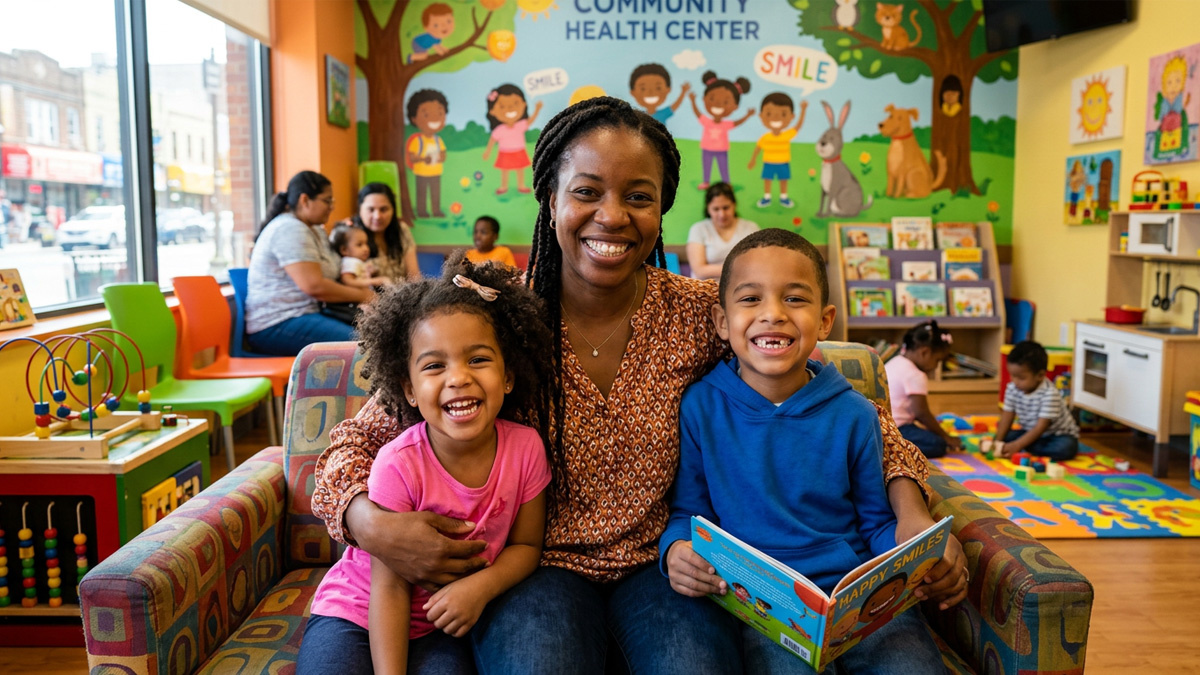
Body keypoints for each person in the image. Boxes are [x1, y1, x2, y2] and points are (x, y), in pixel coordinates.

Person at [311, 97, 966, 674]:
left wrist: (912, 512)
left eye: (639, 196)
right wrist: (369, 522)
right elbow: (355, 439)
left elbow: (853, 411)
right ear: (550, 198)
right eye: (587, 191)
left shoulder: (702, 311)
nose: (612, 216)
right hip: (538, 569)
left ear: (661, 210)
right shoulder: (497, 320)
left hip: (663, 566)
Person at [661, 229, 945, 674]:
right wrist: (675, 548)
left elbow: (874, 522)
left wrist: (917, 558)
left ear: (825, 320)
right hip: (765, 607)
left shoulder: (854, 413)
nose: (772, 314)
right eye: (751, 299)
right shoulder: (700, 406)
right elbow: (690, 512)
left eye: (794, 299)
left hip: (857, 598)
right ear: (721, 320)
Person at [297, 256, 555, 674]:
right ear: (409, 391)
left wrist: (478, 588)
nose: (458, 378)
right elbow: (389, 588)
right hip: (358, 609)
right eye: (435, 366)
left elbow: (526, 547)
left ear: (509, 376)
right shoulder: (397, 464)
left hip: (440, 622)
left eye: (478, 360)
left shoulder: (526, 449)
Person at [246, 171, 372, 356]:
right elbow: (314, 286)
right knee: (365, 347)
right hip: (277, 323)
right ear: (305, 200)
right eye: (327, 201)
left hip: (309, 314)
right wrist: (363, 295)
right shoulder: (290, 228)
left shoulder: (315, 230)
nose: (331, 207)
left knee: (377, 333)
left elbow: (335, 271)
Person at [886, 321, 963, 459]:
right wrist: (946, 437)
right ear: (924, 352)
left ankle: (889, 445)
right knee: (937, 444)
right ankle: (893, 449)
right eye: (937, 360)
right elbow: (921, 413)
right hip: (898, 428)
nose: (936, 365)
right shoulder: (915, 374)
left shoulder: (895, 361)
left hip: (882, 426)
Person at [995, 340, 1080, 461]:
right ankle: (1028, 446)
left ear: (1040, 375)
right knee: (1006, 435)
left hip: (1056, 435)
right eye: (1012, 375)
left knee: (1066, 448)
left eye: (1021, 378)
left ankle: (1026, 446)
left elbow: (1041, 427)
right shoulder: (1012, 388)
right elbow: (1007, 415)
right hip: (1030, 432)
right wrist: (997, 441)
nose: (1015, 381)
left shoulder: (1049, 394)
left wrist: (1017, 445)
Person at [687, 70, 755, 190]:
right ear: (704, 99)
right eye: (712, 99)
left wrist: (748, 116)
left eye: (726, 102)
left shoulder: (726, 124)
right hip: (707, 149)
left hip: (721, 150)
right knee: (707, 166)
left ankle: (726, 182)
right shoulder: (707, 121)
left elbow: (737, 122)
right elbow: (698, 113)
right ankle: (706, 182)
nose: (718, 104)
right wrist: (692, 101)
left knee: (723, 166)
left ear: (735, 106)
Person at [350, 183, 423, 283]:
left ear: (393, 210)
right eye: (371, 210)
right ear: (360, 210)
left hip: (403, 295)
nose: (377, 216)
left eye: (383, 209)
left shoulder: (402, 230)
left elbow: (414, 277)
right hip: (368, 297)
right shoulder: (350, 234)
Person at [686, 183, 759, 280]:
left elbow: (758, 265)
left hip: (743, 287)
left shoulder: (751, 228)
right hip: (706, 290)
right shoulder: (698, 229)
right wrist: (739, 269)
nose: (722, 214)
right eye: (716, 209)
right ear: (708, 209)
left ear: (734, 205)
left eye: (726, 208)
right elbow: (699, 271)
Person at [748, 92, 808, 208]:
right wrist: (753, 160)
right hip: (768, 162)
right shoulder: (765, 137)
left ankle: (784, 197)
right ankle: (767, 197)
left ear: (791, 116)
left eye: (783, 114)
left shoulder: (787, 135)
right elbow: (758, 148)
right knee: (767, 180)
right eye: (769, 113)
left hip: (783, 163)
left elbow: (798, 126)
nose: (775, 118)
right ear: (761, 116)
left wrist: (803, 110)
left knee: (783, 180)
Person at [482, 84, 544, 195]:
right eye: (502, 106)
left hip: (519, 151)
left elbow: (531, 120)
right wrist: (488, 152)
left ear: (524, 105)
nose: (510, 108)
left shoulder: (520, 125)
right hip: (505, 152)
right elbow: (492, 140)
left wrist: (537, 109)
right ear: (493, 111)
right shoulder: (499, 129)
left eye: (515, 103)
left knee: (519, 169)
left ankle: (521, 186)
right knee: (505, 170)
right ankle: (503, 186)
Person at [407, 89, 449, 219]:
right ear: (414, 119)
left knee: (436, 193)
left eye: (440, 113)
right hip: (421, 173)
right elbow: (412, 156)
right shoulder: (417, 140)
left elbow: (443, 153)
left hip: (436, 172)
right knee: (421, 193)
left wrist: (441, 157)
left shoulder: (438, 140)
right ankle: (422, 211)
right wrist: (423, 159)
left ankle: (436, 210)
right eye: (426, 115)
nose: (434, 118)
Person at [330, 223, 391, 289]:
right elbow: (347, 281)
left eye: (366, 243)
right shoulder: (350, 261)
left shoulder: (357, 261)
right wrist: (375, 281)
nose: (366, 248)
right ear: (344, 250)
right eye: (359, 245)